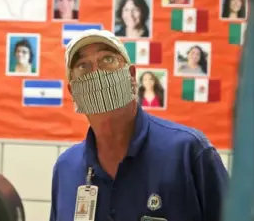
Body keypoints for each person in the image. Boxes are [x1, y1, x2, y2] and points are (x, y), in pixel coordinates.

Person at [50, 29, 228, 221]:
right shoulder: (66, 168)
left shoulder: (188, 153)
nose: (97, 73)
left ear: (131, 76)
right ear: (73, 91)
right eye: (83, 65)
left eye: (108, 60)